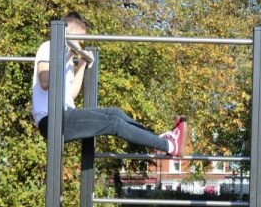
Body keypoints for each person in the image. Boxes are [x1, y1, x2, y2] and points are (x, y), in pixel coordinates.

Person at [32, 11, 186, 155]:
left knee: (114, 112)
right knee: (113, 123)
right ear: (69, 31)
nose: (81, 42)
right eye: (79, 38)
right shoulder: (49, 47)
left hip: (65, 114)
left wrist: (82, 65)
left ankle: (158, 139)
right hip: (51, 119)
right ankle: (169, 146)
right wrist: (69, 55)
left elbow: (70, 94)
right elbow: (45, 82)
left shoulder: (66, 56)